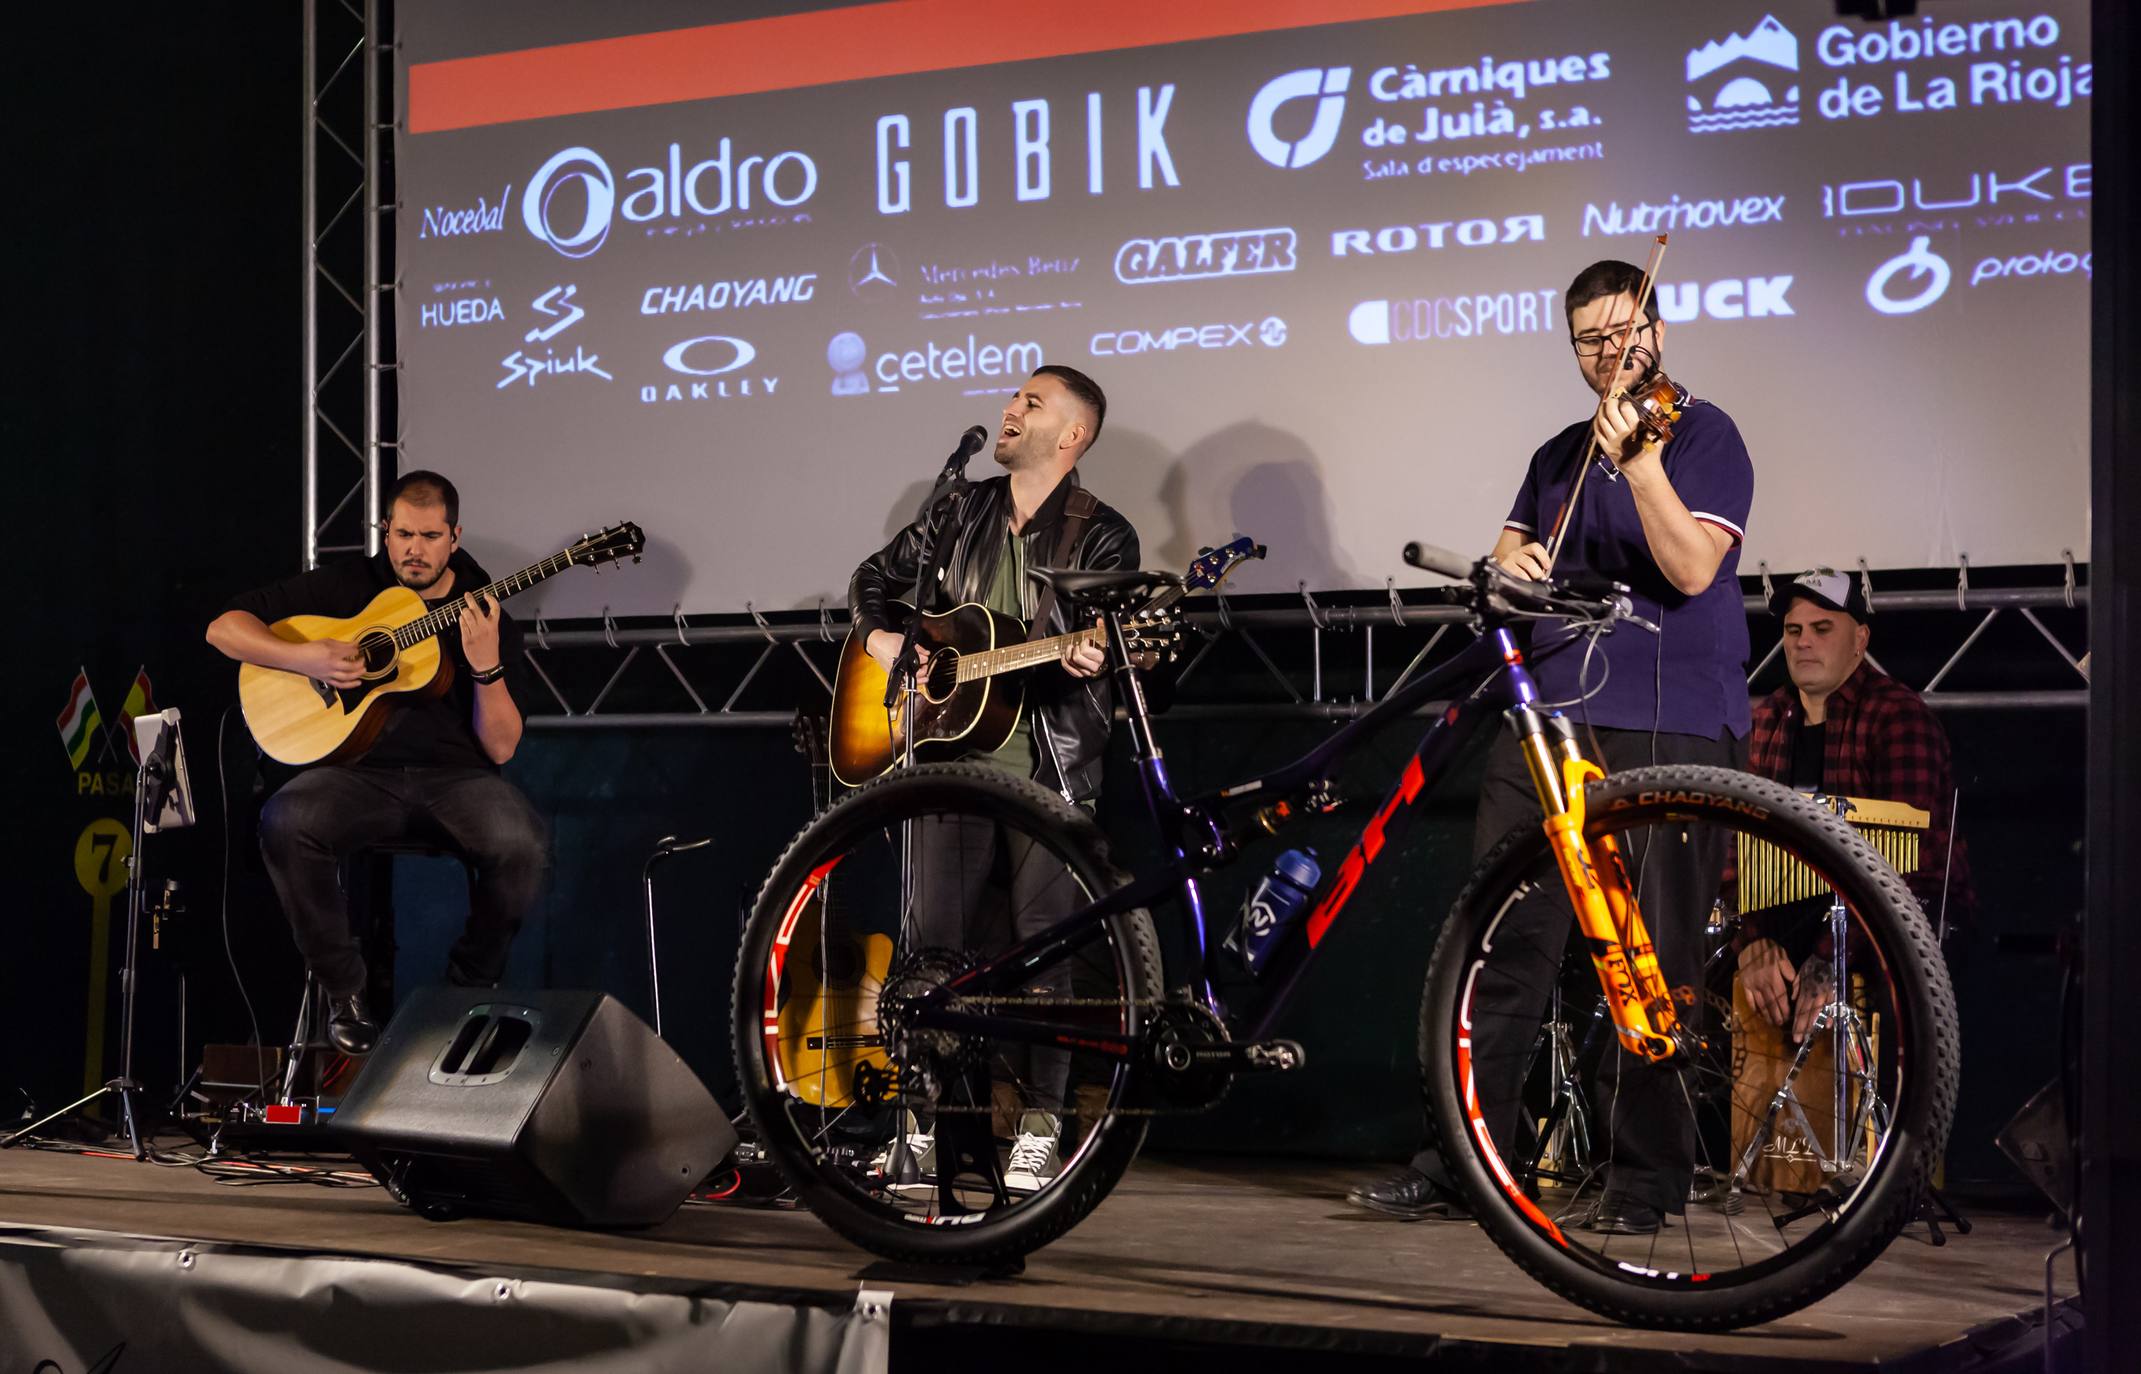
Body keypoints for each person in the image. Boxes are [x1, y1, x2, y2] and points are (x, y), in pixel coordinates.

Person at [1348, 259, 1755, 1233]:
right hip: (1549, 716)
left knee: (1641, 955)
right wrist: (1508, 567)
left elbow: (1692, 566)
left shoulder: (1700, 433)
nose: (1609, 353)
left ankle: (1642, 1185)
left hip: (1668, 716)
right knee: (1503, 944)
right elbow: (1500, 567)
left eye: (1624, 333)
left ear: (1657, 330)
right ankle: (1461, 1161)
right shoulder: (1555, 454)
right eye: (1588, 340)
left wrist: (1639, 464)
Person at [848, 365, 1138, 1190]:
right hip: (946, 760)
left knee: (1047, 964)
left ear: (1071, 435)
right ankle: (918, 1128)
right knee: (929, 959)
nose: (1010, 410)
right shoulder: (958, 509)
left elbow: (1114, 636)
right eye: (1014, 399)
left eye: (1031, 404)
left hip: (1049, 772)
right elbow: (872, 581)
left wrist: (1091, 654)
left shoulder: (1102, 533)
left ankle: (1040, 1131)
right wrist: (887, 645)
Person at [206, 471, 548, 1055]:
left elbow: (500, 749)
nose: (415, 549)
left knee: (523, 845)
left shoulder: (483, 612)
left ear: (454, 537)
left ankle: (464, 992)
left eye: (431, 536)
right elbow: (223, 629)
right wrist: (304, 656)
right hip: (356, 776)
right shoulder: (347, 586)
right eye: (404, 534)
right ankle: (346, 993)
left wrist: (486, 667)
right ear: (385, 532)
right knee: (285, 821)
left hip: (457, 779)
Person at [1739, 567, 1975, 1034]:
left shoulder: (1897, 717)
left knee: (1901, 984)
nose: (1803, 642)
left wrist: (1830, 957)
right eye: (1793, 630)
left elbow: (1907, 861)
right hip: (1801, 912)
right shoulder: (1769, 718)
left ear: (1860, 639)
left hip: (1898, 924)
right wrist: (1753, 941)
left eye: (1822, 629)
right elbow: (1738, 839)